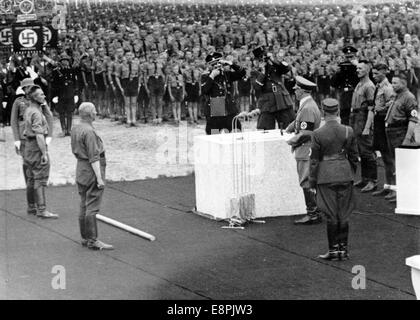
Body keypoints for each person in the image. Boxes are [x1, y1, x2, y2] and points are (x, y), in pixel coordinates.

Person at [309, 98, 359, 261]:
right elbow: (354, 157)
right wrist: (349, 172)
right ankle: (343, 250)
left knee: (330, 214)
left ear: (323, 113)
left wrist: (312, 181)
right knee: (343, 213)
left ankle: (333, 250)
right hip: (345, 173)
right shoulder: (348, 131)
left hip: (325, 176)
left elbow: (314, 160)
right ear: (337, 112)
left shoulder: (317, 134)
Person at [70, 102, 114, 250]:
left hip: (81, 168)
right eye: (94, 111)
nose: (96, 113)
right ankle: (93, 240)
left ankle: (85, 237)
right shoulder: (89, 132)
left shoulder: (76, 128)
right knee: (92, 206)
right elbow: (94, 157)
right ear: (90, 114)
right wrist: (99, 178)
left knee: (83, 203)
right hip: (91, 169)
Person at [11, 78, 51, 215]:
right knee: (31, 173)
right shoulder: (19, 101)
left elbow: (49, 116)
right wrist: (16, 139)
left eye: (30, 86)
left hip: (34, 136)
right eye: (26, 87)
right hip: (25, 138)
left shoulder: (38, 101)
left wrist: (49, 134)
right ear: (23, 90)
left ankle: (34, 205)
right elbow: (13, 121)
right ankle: (33, 205)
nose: (28, 89)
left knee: (33, 174)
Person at [286, 76, 322, 225]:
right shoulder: (307, 104)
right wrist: (290, 127)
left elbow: (306, 133)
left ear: (302, 90)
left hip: (305, 149)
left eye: (296, 89)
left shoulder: (307, 107)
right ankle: (315, 211)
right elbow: (300, 122)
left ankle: (312, 214)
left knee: (306, 181)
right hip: (307, 149)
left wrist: (291, 140)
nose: (295, 91)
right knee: (309, 180)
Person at [23, 86, 58, 219]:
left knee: (31, 177)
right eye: (41, 95)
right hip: (36, 145)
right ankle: (42, 209)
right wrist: (43, 153)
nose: (44, 96)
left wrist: (45, 106)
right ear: (34, 97)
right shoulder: (36, 113)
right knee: (40, 177)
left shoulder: (30, 109)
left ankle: (31, 206)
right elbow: (39, 135)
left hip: (28, 146)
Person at [384, 74, 419, 203]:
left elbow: (413, 119)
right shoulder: (396, 95)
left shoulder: (409, 97)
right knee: (395, 164)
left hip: (400, 132)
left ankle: (406, 195)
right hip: (391, 132)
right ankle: (399, 192)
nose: (392, 85)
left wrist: (407, 139)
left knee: (404, 165)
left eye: (395, 83)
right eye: (392, 83)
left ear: (404, 84)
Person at [249, 47, 295, 130]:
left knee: (288, 126)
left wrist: (273, 60)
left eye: (262, 59)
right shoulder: (254, 72)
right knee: (265, 128)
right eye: (259, 60)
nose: (261, 61)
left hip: (281, 99)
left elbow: (287, 69)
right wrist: (262, 72)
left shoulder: (274, 66)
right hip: (267, 103)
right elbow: (257, 87)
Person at [201, 52, 245, 135]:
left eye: (218, 63)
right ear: (209, 66)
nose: (216, 66)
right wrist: (212, 76)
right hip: (214, 109)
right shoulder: (205, 76)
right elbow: (204, 91)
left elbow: (242, 73)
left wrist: (231, 64)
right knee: (214, 135)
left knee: (236, 132)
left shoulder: (226, 74)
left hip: (228, 108)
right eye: (213, 64)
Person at [350, 60, 377, 193]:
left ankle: (372, 180)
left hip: (363, 117)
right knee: (360, 150)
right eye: (357, 68)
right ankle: (365, 178)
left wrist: (367, 127)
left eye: (360, 68)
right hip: (356, 117)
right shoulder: (359, 84)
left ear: (367, 70)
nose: (357, 70)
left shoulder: (369, 86)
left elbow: (372, 109)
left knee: (367, 151)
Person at [370, 64, 396, 199]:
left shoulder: (387, 87)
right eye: (373, 74)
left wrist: (379, 110)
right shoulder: (379, 86)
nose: (374, 76)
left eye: (376, 74)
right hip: (378, 122)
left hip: (384, 122)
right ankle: (387, 186)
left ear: (384, 73)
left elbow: (392, 103)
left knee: (389, 157)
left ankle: (394, 189)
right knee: (385, 157)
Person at [330, 45, 359, 125]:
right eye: (347, 57)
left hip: (356, 94)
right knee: (344, 116)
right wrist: (337, 73)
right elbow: (333, 84)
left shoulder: (360, 66)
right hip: (344, 96)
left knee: (355, 117)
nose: (349, 59)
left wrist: (357, 66)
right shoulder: (342, 66)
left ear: (355, 56)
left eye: (351, 57)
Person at [52, 53, 78, 136]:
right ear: (61, 62)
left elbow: (75, 83)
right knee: (62, 112)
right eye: (63, 60)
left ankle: (69, 129)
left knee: (70, 112)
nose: (65, 62)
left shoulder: (72, 71)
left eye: (66, 60)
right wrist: (55, 95)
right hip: (61, 94)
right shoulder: (56, 71)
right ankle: (63, 129)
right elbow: (54, 84)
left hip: (70, 94)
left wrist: (76, 93)